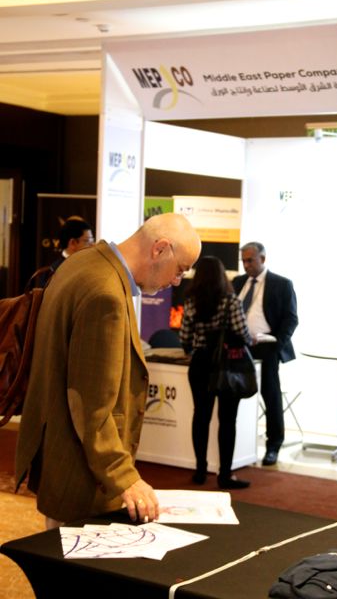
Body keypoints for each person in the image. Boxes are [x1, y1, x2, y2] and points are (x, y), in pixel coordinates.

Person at [15, 213, 201, 528]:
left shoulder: (83, 262)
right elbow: (89, 403)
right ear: (159, 249)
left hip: (61, 458)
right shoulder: (106, 294)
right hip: (82, 475)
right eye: (180, 269)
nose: (176, 281)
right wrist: (124, 476)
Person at [179, 256, 253, 490]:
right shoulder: (231, 301)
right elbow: (243, 333)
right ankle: (225, 474)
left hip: (200, 363)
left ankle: (200, 470)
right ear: (222, 275)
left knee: (201, 416)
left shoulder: (191, 301)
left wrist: (194, 347)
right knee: (228, 420)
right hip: (227, 364)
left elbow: (185, 338)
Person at [232, 242, 298, 467]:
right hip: (239, 346)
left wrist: (277, 345)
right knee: (233, 393)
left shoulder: (281, 284)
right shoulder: (237, 283)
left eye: (250, 260)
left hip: (267, 346)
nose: (246, 265)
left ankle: (273, 445)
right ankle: (237, 446)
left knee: (271, 395)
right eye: (243, 261)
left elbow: (291, 318)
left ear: (263, 258)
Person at [35, 217, 95, 287]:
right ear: (73, 243)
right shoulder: (54, 272)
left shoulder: (89, 266)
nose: (93, 245)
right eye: (88, 241)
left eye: (92, 240)